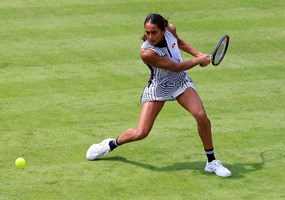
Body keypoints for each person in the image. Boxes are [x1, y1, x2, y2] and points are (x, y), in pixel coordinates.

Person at [86, 13, 231, 177]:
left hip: (180, 81)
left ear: (163, 29)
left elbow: (179, 42)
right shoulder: (147, 53)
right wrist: (198, 61)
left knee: (200, 114)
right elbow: (175, 67)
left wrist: (198, 54)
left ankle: (211, 162)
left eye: (153, 32)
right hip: (159, 87)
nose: (149, 36)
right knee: (141, 132)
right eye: (147, 32)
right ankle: (110, 144)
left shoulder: (171, 30)